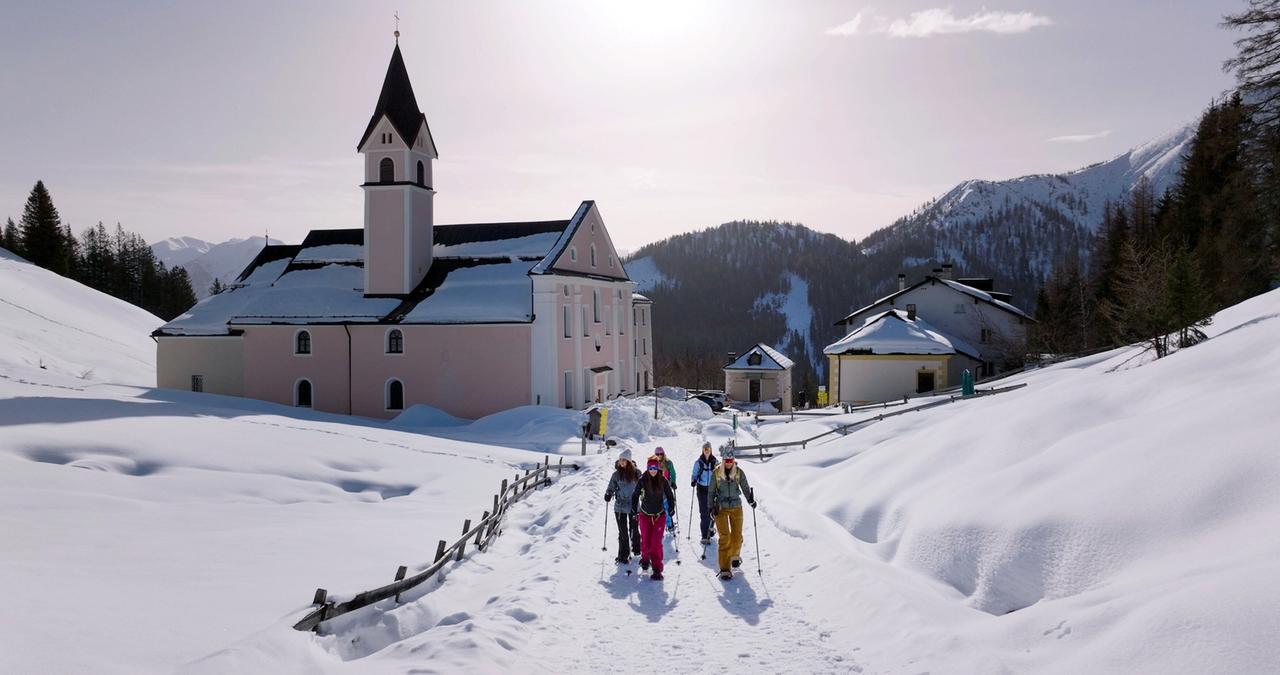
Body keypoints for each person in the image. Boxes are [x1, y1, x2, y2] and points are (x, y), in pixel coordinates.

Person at [708, 448, 756, 580]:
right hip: (721, 508)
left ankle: (734, 556)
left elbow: (745, 488)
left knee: (736, 537)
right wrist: (710, 507)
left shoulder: (739, 472)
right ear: (723, 460)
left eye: (731, 460)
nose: (728, 463)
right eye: (726, 461)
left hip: (736, 507)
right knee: (725, 538)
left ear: (733, 460)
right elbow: (711, 492)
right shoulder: (717, 473)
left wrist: (750, 500)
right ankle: (724, 569)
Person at [630, 457, 677, 580]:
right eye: (650, 468)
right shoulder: (643, 479)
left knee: (656, 544)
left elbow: (670, 495)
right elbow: (635, 495)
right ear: (647, 468)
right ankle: (645, 560)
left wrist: (671, 508)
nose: (653, 471)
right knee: (645, 541)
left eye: (655, 468)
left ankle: (657, 569)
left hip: (659, 515)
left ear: (658, 468)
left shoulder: (663, 480)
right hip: (645, 515)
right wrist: (634, 508)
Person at [603, 449, 641, 564]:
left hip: (633, 505)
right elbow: (611, 487)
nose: (621, 462)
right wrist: (608, 493)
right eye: (620, 460)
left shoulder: (636, 473)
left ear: (629, 461)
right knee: (622, 532)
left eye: (624, 460)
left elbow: (642, 486)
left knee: (634, 529)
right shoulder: (616, 475)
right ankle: (623, 555)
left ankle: (636, 548)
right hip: (620, 506)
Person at [690, 442, 719, 545]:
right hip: (701, 489)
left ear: (711, 450)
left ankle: (710, 529)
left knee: (713, 512)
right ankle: (704, 536)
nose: (707, 451)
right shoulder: (698, 462)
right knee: (704, 513)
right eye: (705, 449)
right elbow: (694, 474)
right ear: (703, 450)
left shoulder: (715, 461)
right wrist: (694, 480)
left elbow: (719, 473)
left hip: (712, 490)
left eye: (708, 449)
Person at [654, 447, 678, 529]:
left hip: (666, 486)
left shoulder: (668, 463)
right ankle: (659, 523)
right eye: (657, 454)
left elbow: (673, 473)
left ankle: (669, 524)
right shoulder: (653, 463)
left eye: (661, 454)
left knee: (667, 505)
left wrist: (673, 482)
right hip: (656, 487)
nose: (659, 456)